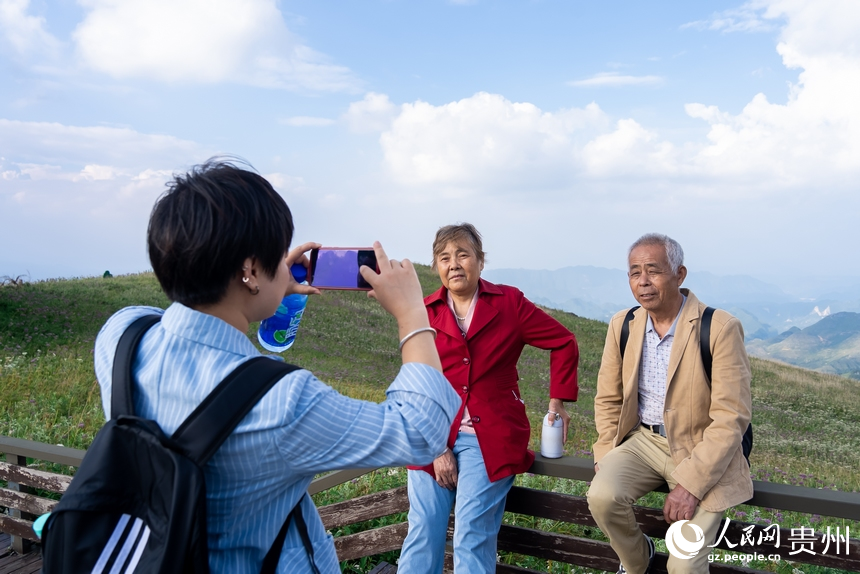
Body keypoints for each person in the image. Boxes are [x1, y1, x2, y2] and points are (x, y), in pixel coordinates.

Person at [92, 159, 461, 573]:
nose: (286, 266)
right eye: (277, 257)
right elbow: (420, 430)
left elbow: (189, 321)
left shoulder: (120, 337)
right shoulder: (282, 402)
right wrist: (413, 314)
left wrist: (257, 286)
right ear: (250, 269)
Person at [397, 223, 579, 573]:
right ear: (436, 265)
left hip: (491, 436)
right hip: (431, 436)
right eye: (444, 257)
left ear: (480, 261)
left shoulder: (509, 303)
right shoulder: (424, 312)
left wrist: (557, 402)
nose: (454, 264)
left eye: (463, 254)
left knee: (471, 536)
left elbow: (564, 341)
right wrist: (437, 449)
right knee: (422, 531)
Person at [587, 233, 753, 574]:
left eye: (653, 270)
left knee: (684, 564)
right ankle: (637, 562)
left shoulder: (719, 327)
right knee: (601, 496)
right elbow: (608, 398)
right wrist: (605, 452)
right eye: (634, 272)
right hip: (643, 441)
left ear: (679, 274)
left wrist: (690, 485)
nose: (643, 282)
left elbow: (730, 417)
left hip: (702, 448)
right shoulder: (624, 324)